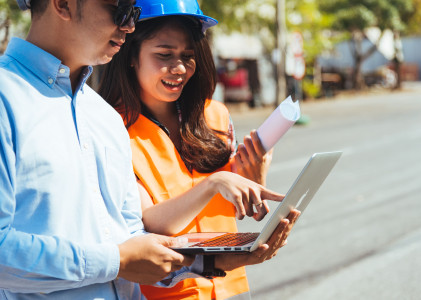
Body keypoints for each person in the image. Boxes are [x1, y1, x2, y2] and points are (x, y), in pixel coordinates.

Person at [0, 0, 299, 299]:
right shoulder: (7, 99)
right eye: (120, 10)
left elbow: (133, 240)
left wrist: (209, 260)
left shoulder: (101, 118)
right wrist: (117, 262)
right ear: (63, 4)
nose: (129, 26)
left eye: (134, 13)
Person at [99, 0, 300, 299]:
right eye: (164, 55)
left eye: (188, 56)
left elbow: (232, 212)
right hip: (163, 292)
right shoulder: (111, 127)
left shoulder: (215, 116)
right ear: (130, 54)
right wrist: (215, 183)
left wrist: (255, 179)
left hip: (228, 283)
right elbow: (150, 222)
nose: (179, 68)